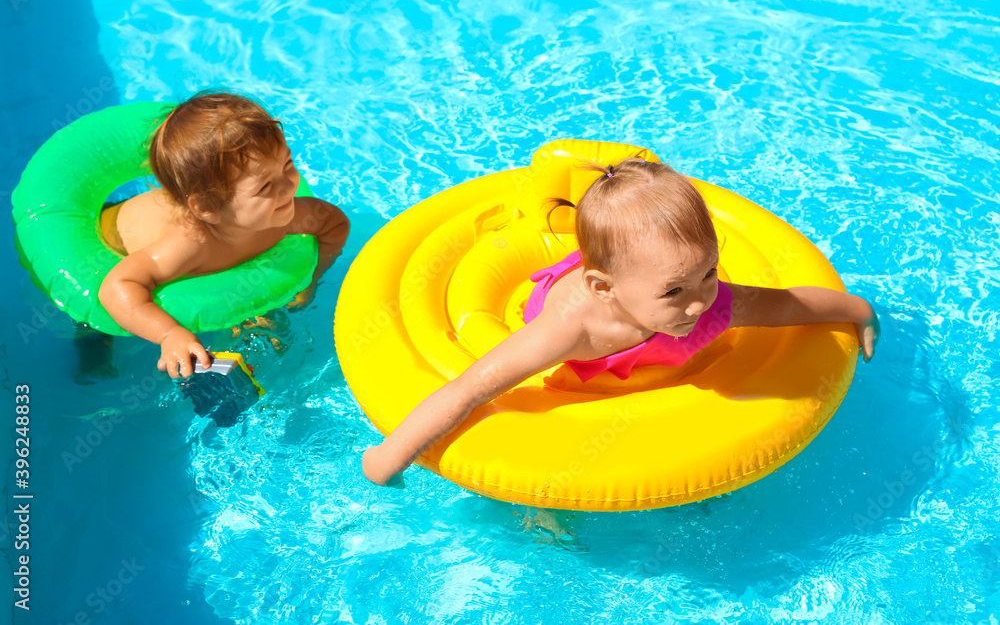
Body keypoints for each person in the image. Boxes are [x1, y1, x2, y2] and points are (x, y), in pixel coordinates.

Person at [362, 157, 879, 485]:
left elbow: (789, 304)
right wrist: (389, 458)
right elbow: (469, 390)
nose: (699, 303)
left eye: (708, 272)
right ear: (604, 287)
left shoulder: (710, 300)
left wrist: (858, 311)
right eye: (675, 291)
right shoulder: (568, 329)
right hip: (580, 336)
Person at [97, 92, 350, 379]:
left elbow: (334, 224)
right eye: (266, 186)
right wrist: (169, 334)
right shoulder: (189, 245)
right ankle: (92, 348)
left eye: (288, 165)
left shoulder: (287, 214)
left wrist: (313, 278)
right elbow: (117, 285)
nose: (289, 186)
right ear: (207, 208)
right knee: (92, 324)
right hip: (109, 236)